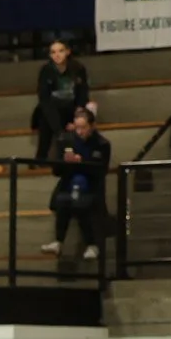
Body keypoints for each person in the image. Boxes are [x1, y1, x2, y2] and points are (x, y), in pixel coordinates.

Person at [41, 107, 109, 263]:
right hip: (68, 183)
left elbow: (100, 170)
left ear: (92, 126)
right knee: (63, 201)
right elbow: (56, 171)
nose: (80, 132)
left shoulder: (102, 144)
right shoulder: (66, 141)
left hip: (90, 185)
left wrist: (82, 162)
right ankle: (58, 241)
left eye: (83, 128)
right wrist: (65, 162)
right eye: (77, 127)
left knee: (81, 204)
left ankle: (92, 244)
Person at [32, 40, 91, 161]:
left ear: (68, 52)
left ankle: (81, 157)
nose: (57, 55)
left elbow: (83, 93)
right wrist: (58, 129)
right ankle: (41, 159)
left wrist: (76, 118)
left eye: (60, 51)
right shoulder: (46, 70)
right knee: (45, 118)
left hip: (71, 109)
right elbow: (44, 98)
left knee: (85, 117)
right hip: (51, 111)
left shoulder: (78, 68)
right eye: (53, 52)